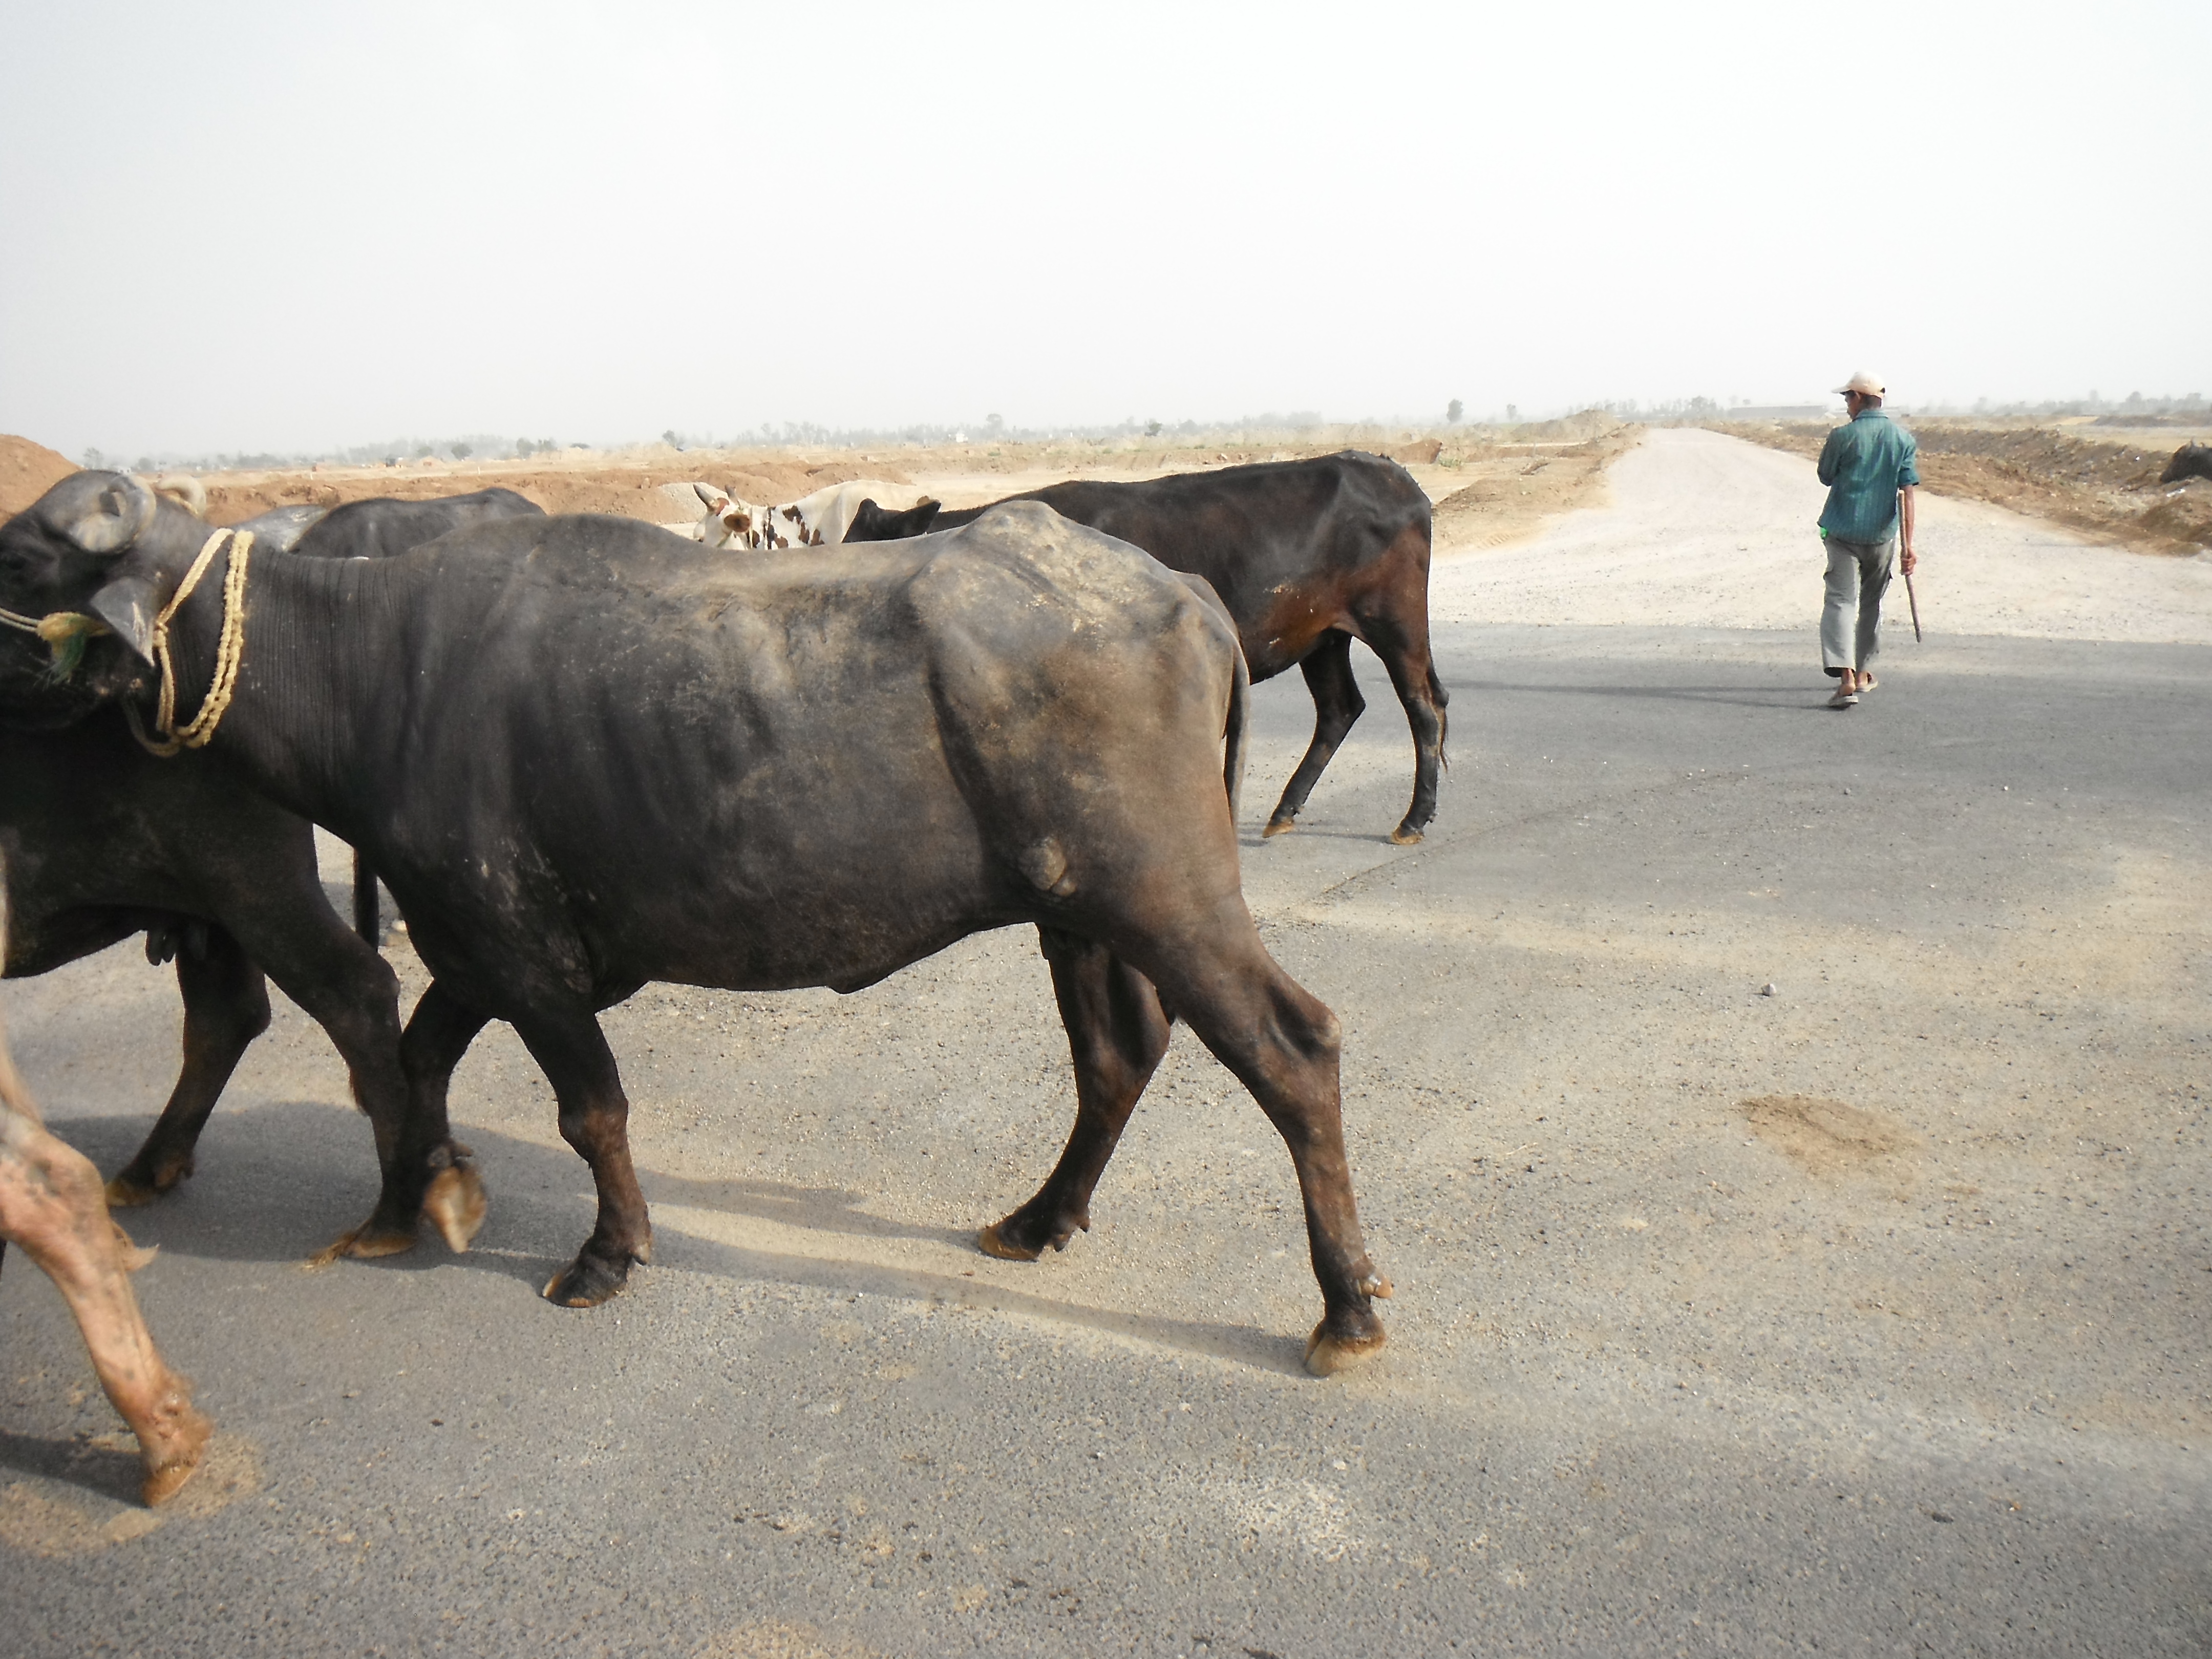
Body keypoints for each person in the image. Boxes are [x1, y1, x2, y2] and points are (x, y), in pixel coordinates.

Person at [1815, 372, 1919, 708]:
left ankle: (1845, 678)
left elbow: (1825, 476)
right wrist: (1908, 547)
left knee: (1840, 600)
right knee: (1872, 602)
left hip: (1842, 531)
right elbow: (1908, 493)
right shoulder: (1903, 439)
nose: (1847, 404)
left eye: (1848, 398)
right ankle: (1862, 675)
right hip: (1881, 536)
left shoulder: (1842, 436)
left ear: (1859, 398)